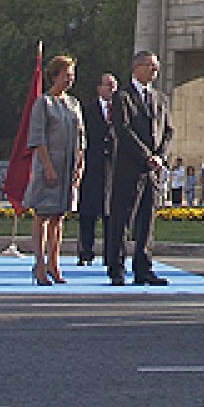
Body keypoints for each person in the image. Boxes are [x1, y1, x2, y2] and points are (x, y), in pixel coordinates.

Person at [105, 50, 173, 286]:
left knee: (147, 221)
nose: (154, 71)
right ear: (136, 67)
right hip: (129, 168)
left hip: (152, 171)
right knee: (122, 220)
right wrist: (147, 156)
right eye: (149, 66)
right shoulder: (122, 97)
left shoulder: (161, 99)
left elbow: (168, 131)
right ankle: (117, 268)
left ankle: (144, 268)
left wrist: (160, 156)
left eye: (156, 67)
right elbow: (122, 130)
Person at [23, 55, 85, 286]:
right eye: (66, 75)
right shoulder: (43, 103)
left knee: (59, 217)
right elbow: (38, 137)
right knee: (42, 216)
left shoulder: (74, 104)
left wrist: (80, 164)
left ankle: (54, 263)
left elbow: (81, 137)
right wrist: (48, 167)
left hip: (68, 167)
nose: (70, 79)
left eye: (72, 75)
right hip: (48, 166)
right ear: (55, 75)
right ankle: (39, 264)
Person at [76, 72, 116, 266]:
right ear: (99, 88)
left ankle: (111, 255)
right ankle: (86, 252)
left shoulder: (121, 110)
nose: (112, 89)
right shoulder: (87, 110)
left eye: (114, 86)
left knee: (112, 216)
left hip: (114, 171)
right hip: (91, 169)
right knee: (88, 214)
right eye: (108, 85)